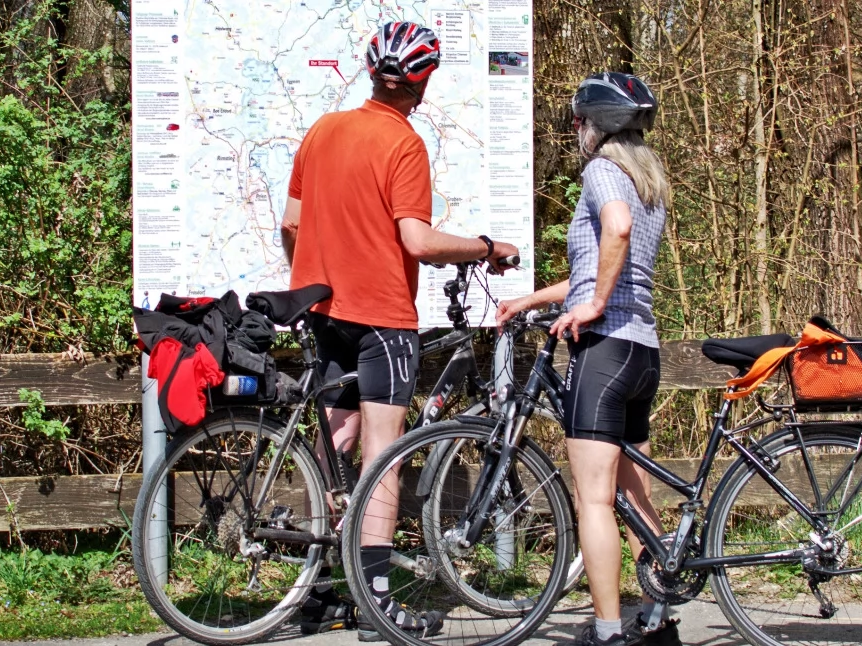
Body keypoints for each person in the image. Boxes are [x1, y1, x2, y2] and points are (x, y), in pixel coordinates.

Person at [280, 20, 519, 641]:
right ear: (423, 80)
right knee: (382, 458)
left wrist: (314, 273)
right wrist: (484, 247)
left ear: (369, 72)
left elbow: (290, 224)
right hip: (381, 317)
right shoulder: (404, 144)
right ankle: (376, 600)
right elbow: (417, 240)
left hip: (323, 311)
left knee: (334, 453)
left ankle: (320, 589)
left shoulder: (322, 130)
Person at [496, 72, 681, 646]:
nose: (575, 131)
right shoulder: (647, 180)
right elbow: (603, 264)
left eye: (578, 121)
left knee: (593, 499)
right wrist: (536, 298)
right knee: (632, 494)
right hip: (641, 352)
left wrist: (594, 305)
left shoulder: (603, 171)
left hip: (603, 353)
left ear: (596, 126)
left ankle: (606, 632)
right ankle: (657, 619)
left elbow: (614, 235)